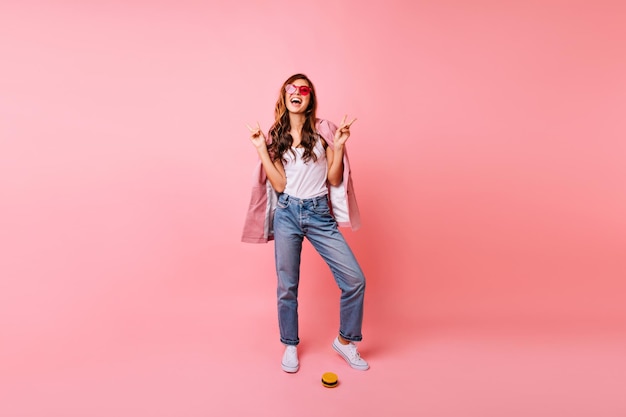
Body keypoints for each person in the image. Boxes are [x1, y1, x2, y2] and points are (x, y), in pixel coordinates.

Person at [244, 73, 368, 373]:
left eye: (304, 89)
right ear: (284, 97)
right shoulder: (276, 136)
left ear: (310, 98)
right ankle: (290, 344)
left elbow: (335, 178)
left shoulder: (324, 130)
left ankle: (345, 341)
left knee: (355, 280)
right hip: (288, 213)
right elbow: (280, 184)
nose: (297, 92)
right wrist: (261, 148)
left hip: (318, 215)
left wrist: (338, 147)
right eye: (291, 88)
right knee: (287, 286)